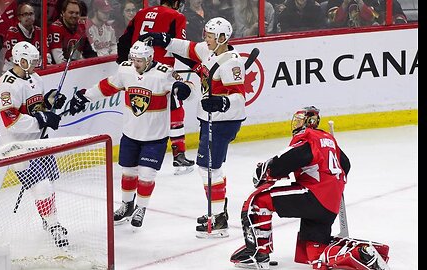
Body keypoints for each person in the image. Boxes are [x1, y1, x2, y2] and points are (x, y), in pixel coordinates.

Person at [139, 17, 246, 238]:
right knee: (210, 168)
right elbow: (186, 48)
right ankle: (218, 212)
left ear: (222, 38)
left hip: (223, 121)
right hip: (210, 119)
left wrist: (223, 102)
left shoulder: (232, 62)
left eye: (209, 36)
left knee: (208, 169)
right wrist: (164, 40)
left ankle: (219, 221)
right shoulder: (209, 51)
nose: (205, 39)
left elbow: (239, 97)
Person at [68, 41, 194, 228]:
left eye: (140, 60)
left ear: (150, 58)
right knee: (128, 173)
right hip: (131, 134)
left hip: (155, 137)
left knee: (146, 175)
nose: (135, 63)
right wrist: (85, 96)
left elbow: (187, 87)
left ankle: (140, 208)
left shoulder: (164, 73)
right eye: (133, 59)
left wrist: (184, 89)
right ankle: (127, 205)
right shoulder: (126, 70)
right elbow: (107, 86)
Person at [228, 106, 351, 268]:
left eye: (299, 121)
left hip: (314, 197)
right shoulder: (327, 138)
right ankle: (342, 255)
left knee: (258, 201)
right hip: (330, 206)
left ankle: (259, 254)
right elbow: (346, 165)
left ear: (309, 122)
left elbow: (286, 160)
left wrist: (265, 170)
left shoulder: (307, 137)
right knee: (315, 250)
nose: (296, 125)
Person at [0, 41, 69, 248]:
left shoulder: (35, 77)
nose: (37, 63)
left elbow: (35, 106)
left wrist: (50, 101)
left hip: (40, 142)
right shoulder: (7, 84)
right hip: (18, 147)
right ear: (20, 60)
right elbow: (11, 121)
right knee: (42, 186)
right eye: (33, 60)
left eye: (37, 59)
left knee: (49, 184)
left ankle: (48, 220)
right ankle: (54, 225)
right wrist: (42, 119)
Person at [117, 0, 197, 175]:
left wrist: (125, 67)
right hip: (160, 71)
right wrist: (198, 66)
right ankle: (179, 155)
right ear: (175, 2)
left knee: (138, 111)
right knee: (175, 108)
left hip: (136, 69)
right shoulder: (176, 16)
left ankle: (135, 158)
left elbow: (123, 40)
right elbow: (179, 47)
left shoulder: (141, 13)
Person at [48, 0, 97, 64]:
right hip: (60, 71)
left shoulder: (82, 26)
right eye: (71, 13)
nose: (74, 16)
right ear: (63, 12)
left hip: (76, 66)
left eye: (77, 13)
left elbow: (90, 53)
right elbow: (59, 61)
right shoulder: (55, 28)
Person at [2, 2, 42, 72]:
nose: (29, 17)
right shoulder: (12, 32)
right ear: (19, 17)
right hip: (13, 71)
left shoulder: (39, 31)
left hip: (33, 69)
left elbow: (46, 55)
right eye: (25, 14)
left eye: (31, 14)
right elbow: (13, 58)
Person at [326, 0, 407, 27]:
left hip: (370, 38)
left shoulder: (380, 2)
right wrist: (345, 3)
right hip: (342, 40)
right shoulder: (334, 1)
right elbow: (334, 19)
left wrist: (360, 2)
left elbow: (373, 18)